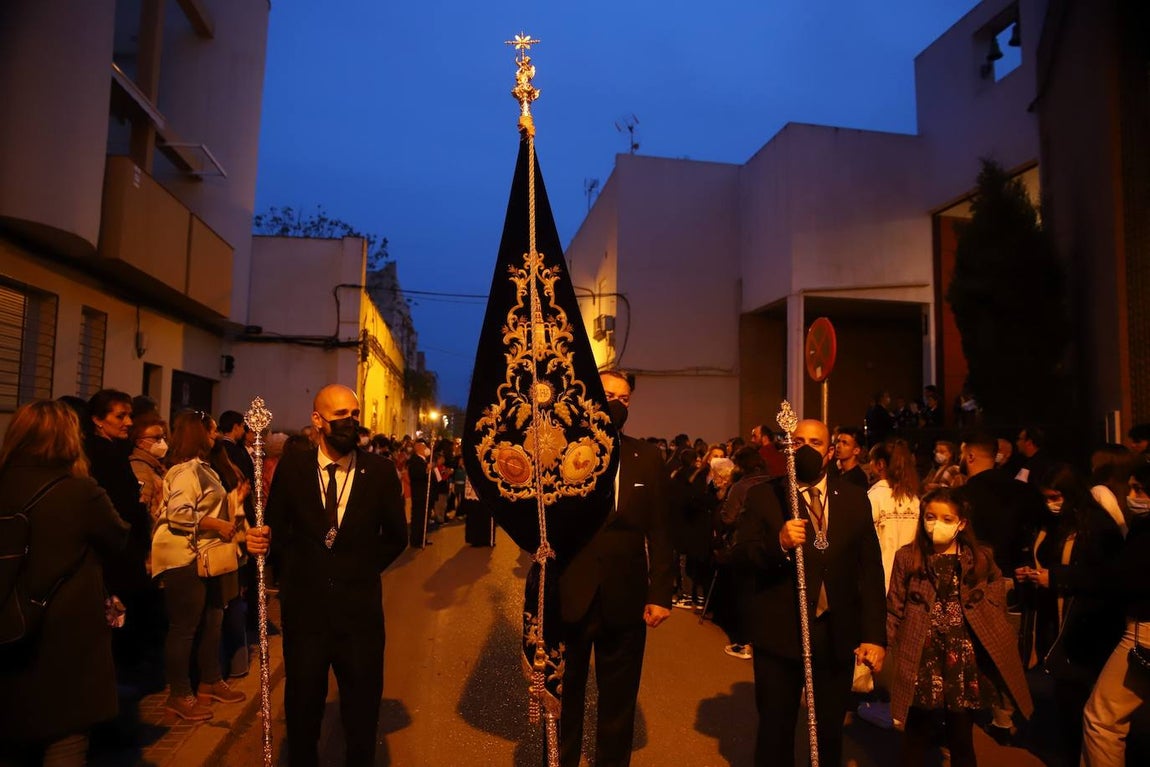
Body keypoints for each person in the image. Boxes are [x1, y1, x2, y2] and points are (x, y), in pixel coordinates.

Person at [244, 384, 407, 767]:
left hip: (359, 618)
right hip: (306, 616)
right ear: (317, 420)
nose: (350, 422)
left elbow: (397, 537)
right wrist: (264, 544)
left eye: (354, 414)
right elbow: (276, 528)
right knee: (302, 712)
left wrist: (360, 569)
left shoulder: (379, 472)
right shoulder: (295, 468)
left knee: (361, 715)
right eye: (340, 416)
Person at [731, 418, 886, 767]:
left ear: (830, 452)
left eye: (815, 443)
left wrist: (874, 635)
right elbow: (741, 558)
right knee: (776, 729)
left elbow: (870, 571)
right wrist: (779, 544)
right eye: (797, 442)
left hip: (835, 634)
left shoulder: (854, 499)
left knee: (829, 731)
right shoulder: (764, 495)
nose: (805, 449)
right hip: (780, 634)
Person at [0, 401, 130, 767]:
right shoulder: (78, 491)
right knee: (66, 736)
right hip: (66, 634)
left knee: (11, 734)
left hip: (8, 628)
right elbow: (119, 538)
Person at [558, 370, 674, 767]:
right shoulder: (557, 451)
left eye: (624, 399)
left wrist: (661, 594)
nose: (616, 404)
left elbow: (660, 530)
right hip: (569, 595)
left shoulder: (646, 458)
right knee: (562, 702)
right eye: (608, 395)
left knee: (618, 705)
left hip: (625, 601)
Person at [886, 488, 1033, 766]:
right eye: (930, 517)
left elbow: (996, 582)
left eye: (946, 518)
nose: (936, 524)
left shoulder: (978, 557)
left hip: (961, 655)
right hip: (921, 653)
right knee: (916, 730)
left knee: (961, 733)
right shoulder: (908, 557)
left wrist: (990, 610)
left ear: (961, 523)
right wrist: (883, 645)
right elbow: (895, 605)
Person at [150, 411, 248, 721]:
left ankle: (210, 681)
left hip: (208, 558)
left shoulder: (204, 468)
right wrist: (217, 524)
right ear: (198, 433)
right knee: (184, 629)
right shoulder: (184, 472)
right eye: (212, 431)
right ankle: (179, 695)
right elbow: (178, 514)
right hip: (184, 559)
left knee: (214, 619)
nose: (216, 436)